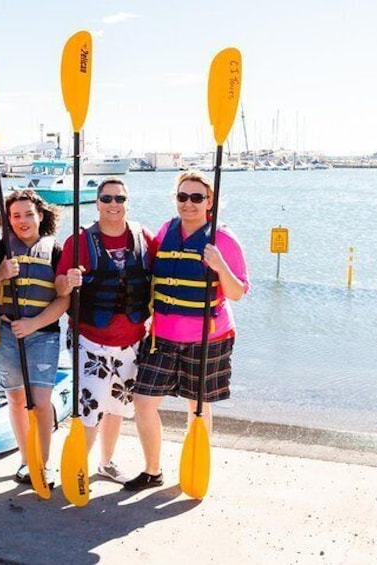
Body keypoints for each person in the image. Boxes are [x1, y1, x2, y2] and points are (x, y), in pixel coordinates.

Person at [126, 170, 249, 491]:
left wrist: (220, 265)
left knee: (197, 406)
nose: (189, 203)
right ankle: (153, 470)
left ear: (210, 202)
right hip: (162, 336)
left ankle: (192, 468)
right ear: (175, 199)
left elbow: (236, 292)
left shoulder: (222, 239)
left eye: (197, 197)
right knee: (143, 402)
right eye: (183, 197)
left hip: (208, 337)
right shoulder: (167, 230)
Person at [56, 178, 157, 484]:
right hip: (91, 341)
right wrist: (69, 280)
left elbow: (158, 280)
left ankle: (106, 463)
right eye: (107, 198)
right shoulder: (80, 241)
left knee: (117, 407)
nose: (114, 204)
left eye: (120, 198)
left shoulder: (143, 237)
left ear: (127, 202)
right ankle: (76, 470)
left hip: (132, 342)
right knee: (89, 410)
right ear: (97, 202)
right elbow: (59, 287)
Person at [0, 189, 68, 487]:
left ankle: (42, 463)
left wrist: (33, 324)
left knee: (41, 401)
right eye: (16, 216)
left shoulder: (56, 250)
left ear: (41, 215)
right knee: (17, 398)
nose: (23, 221)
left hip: (42, 333)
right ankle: (25, 460)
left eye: (28, 214)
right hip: (3, 331)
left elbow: (64, 300)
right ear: (8, 220)